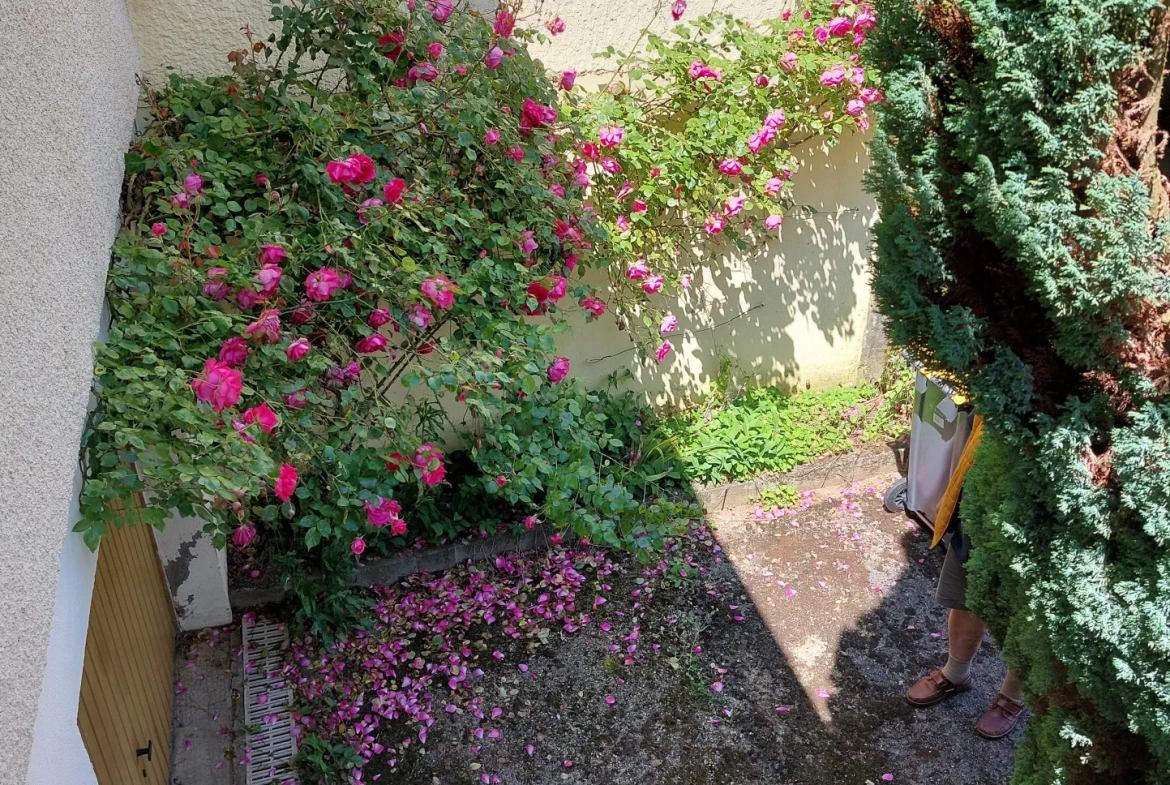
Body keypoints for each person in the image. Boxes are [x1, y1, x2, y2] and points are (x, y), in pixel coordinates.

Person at [903, 416, 1025, 740]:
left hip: (1041, 502)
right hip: (986, 482)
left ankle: (1013, 697)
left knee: (1028, 614)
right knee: (966, 593)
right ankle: (956, 674)